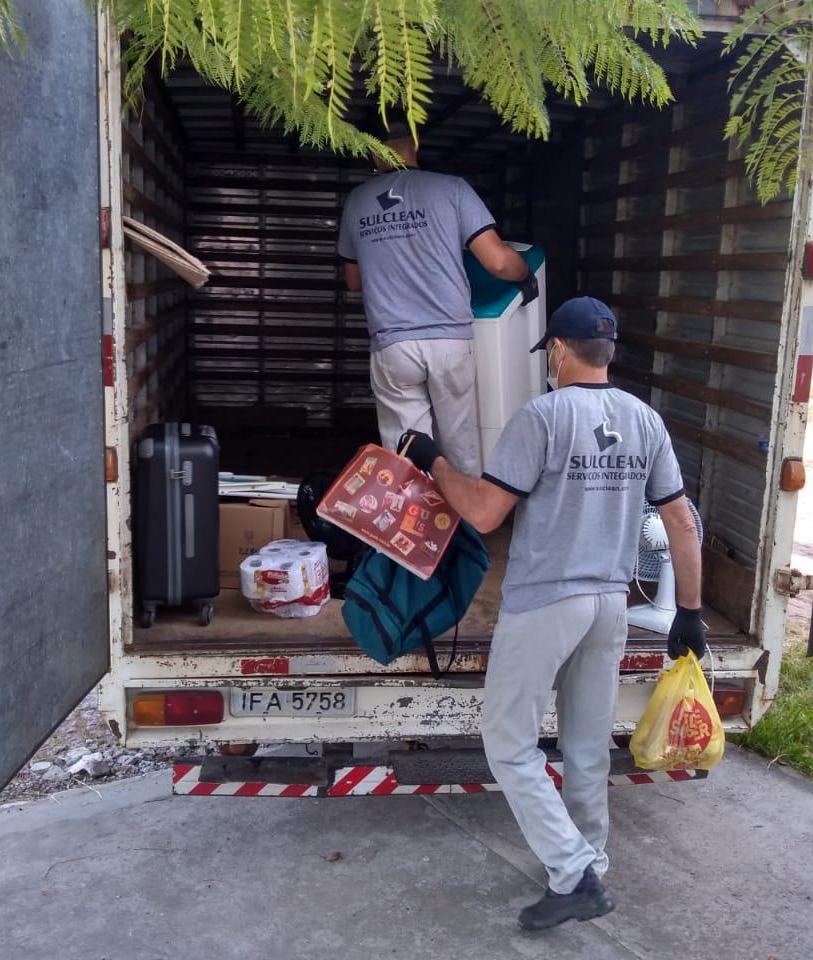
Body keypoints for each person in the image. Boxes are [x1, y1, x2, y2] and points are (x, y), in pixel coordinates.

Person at [398, 296, 706, 931]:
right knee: (588, 745)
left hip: (546, 602)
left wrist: (431, 460)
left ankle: (572, 873)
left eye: (549, 353)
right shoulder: (645, 420)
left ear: (559, 352)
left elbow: (484, 513)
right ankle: (590, 862)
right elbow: (681, 521)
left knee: (508, 742)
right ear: (608, 352)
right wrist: (690, 613)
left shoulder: (542, 417)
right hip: (609, 603)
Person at [338, 116, 536, 475]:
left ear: (372, 151)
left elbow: (353, 280)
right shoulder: (452, 189)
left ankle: (414, 511)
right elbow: (498, 261)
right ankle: (464, 510)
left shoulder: (357, 201)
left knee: (407, 454)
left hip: (393, 344)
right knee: (459, 446)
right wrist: (527, 275)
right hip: (449, 341)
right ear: (416, 143)